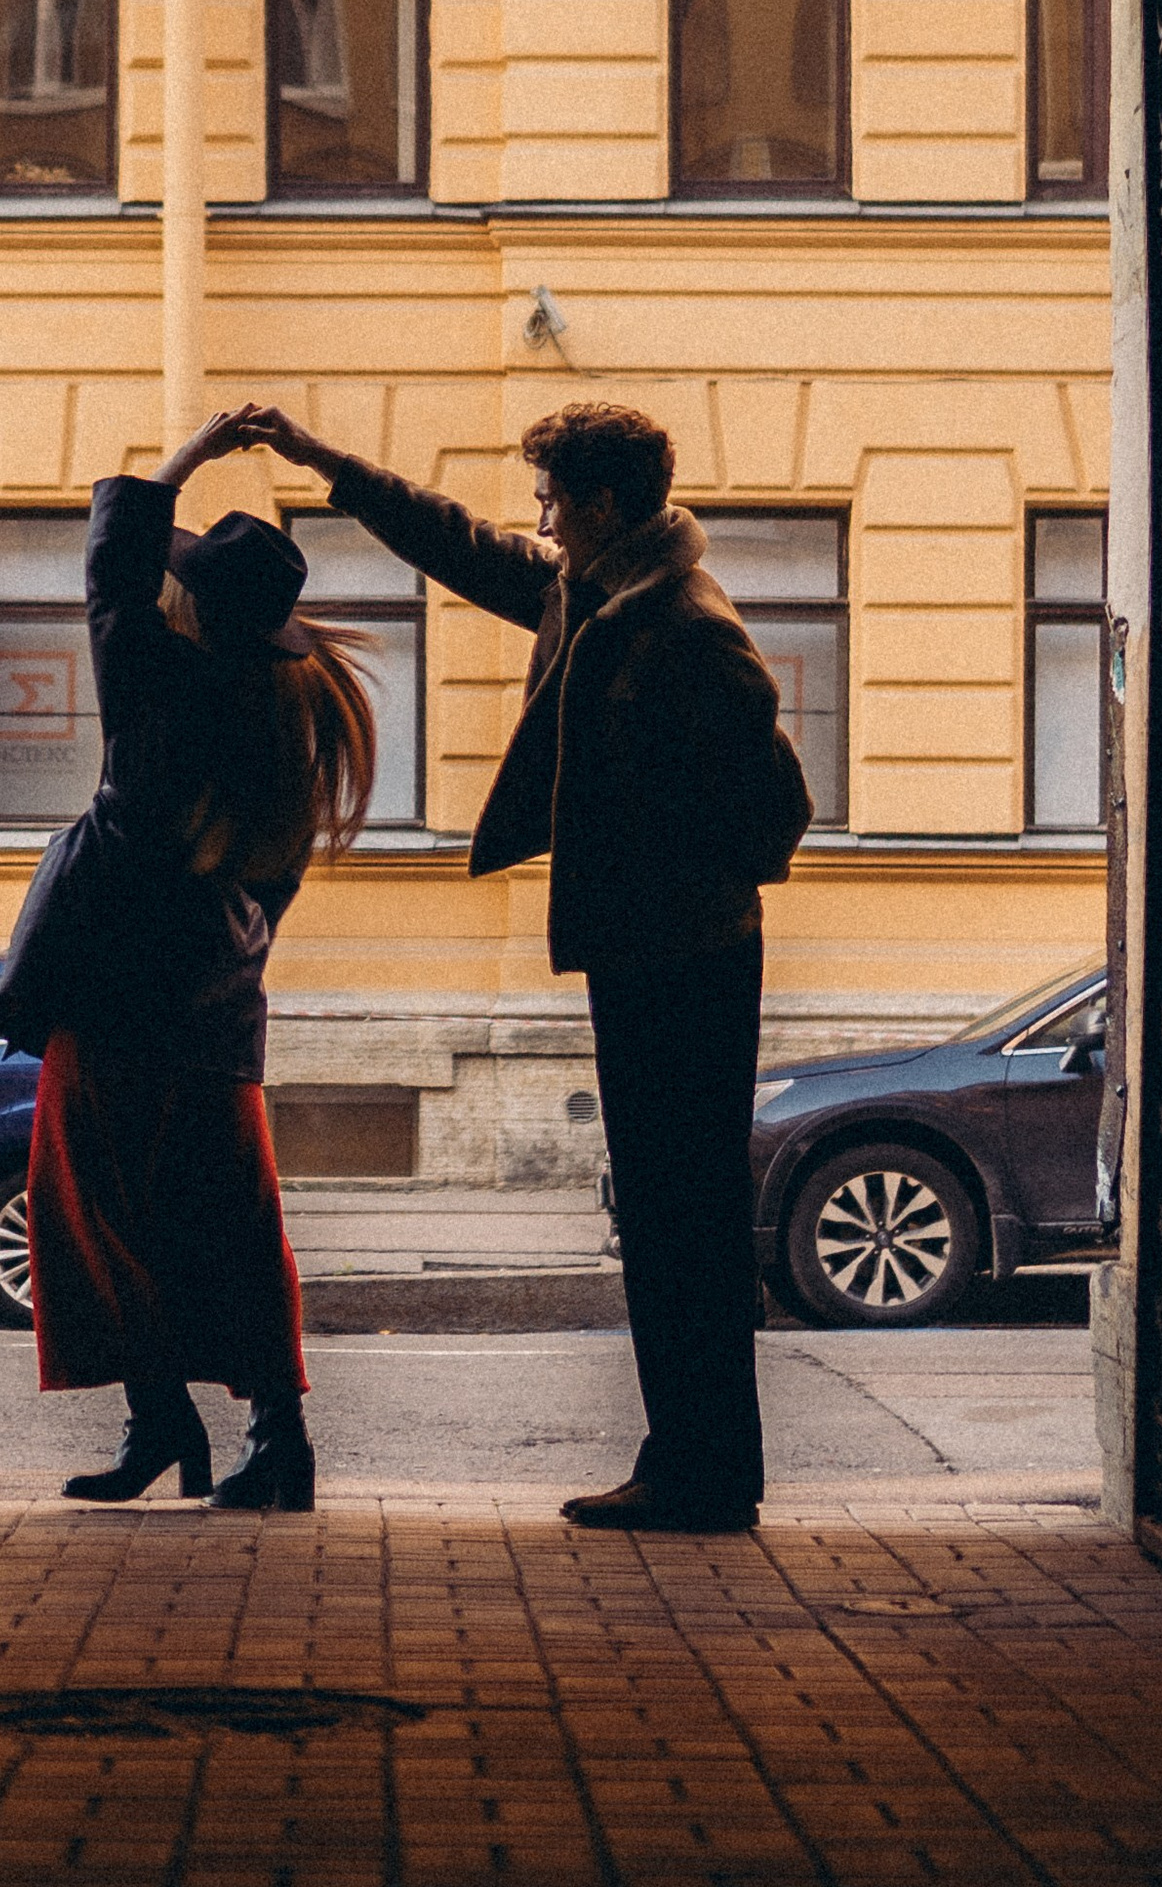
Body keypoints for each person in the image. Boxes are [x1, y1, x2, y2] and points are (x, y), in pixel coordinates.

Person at [233, 395, 807, 1533]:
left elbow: (773, 802)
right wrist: (323, 460)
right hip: (652, 945)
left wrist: (674, 881)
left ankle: (702, 1471)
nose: (537, 521)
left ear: (599, 503)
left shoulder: (681, 622)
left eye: (550, 500)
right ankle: (693, 1462)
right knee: (662, 1215)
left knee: (678, 1216)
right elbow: (455, 542)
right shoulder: (594, 589)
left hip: (683, 954)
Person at [0, 409, 376, 1513]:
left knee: (89, 1217)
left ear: (195, 608)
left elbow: (110, 572)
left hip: (116, 1003)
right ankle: (274, 1440)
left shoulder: (160, 694)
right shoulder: (285, 716)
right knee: (228, 1227)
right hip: (216, 1015)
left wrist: (186, 459)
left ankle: (160, 1420)